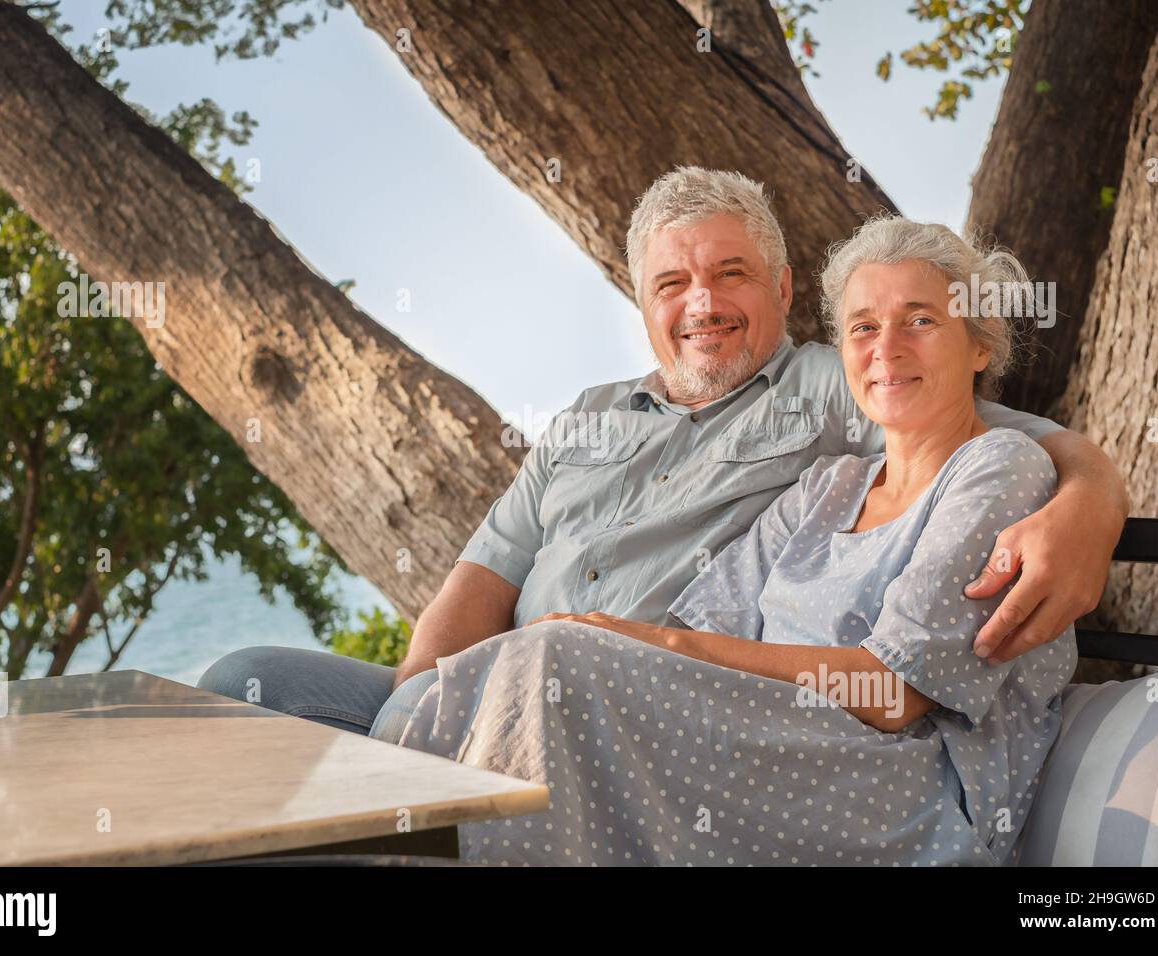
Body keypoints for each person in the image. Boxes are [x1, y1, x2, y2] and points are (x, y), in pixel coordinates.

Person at [198, 167, 1125, 753]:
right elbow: (482, 576)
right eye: (672, 282)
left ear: (784, 288)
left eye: (732, 274)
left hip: (632, 711)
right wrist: (415, 710)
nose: (703, 304)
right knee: (244, 688)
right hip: (484, 701)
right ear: (640, 300)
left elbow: (992, 431)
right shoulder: (585, 422)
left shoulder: (831, 383)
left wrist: (1089, 502)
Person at [396, 215, 1077, 865]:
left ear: (980, 342)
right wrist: (626, 644)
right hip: (765, 753)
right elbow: (702, 628)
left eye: (920, 321)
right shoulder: (830, 487)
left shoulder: (1000, 466)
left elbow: (895, 693)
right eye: (863, 327)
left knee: (557, 661)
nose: (886, 349)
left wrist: (636, 641)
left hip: (899, 793)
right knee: (509, 676)